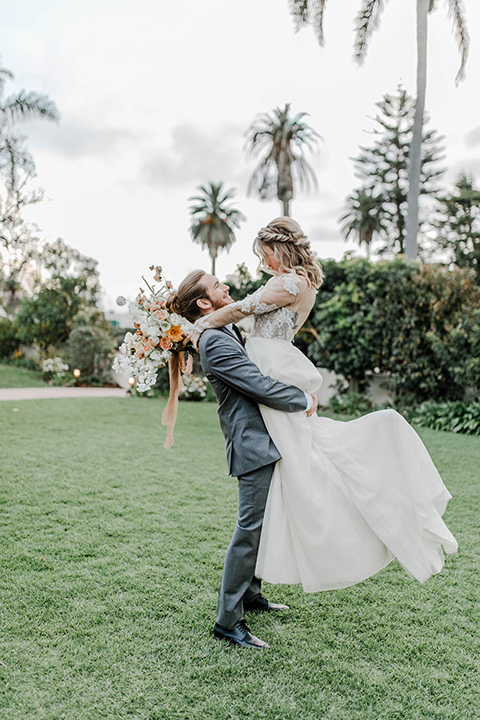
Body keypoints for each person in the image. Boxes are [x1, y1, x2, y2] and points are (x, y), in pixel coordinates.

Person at [189, 217, 458, 596]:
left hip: (271, 365)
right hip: (271, 361)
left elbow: (238, 311)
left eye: (263, 253)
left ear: (279, 250)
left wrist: (196, 328)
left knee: (302, 467)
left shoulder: (289, 283)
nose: (262, 261)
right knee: (298, 467)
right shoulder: (301, 283)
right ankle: (252, 592)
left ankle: (336, 527)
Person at [166, 269, 318, 650]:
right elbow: (257, 384)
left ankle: (251, 595)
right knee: (249, 530)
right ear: (204, 303)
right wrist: (303, 400)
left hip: (266, 435)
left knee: (261, 525)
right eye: (218, 287)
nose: (227, 288)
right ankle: (227, 621)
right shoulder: (215, 341)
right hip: (251, 441)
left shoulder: (223, 329)